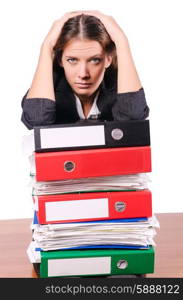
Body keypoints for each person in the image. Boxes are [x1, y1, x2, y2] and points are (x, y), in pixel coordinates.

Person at [21, 10, 149, 130]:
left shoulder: (120, 86)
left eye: (95, 60)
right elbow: (36, 120)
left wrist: (121, 41)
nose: (83, 74)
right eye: (72, 60)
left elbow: (134, 121)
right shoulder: (49, 87)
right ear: (60, 60)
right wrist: (47, 47)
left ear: (108, 59)